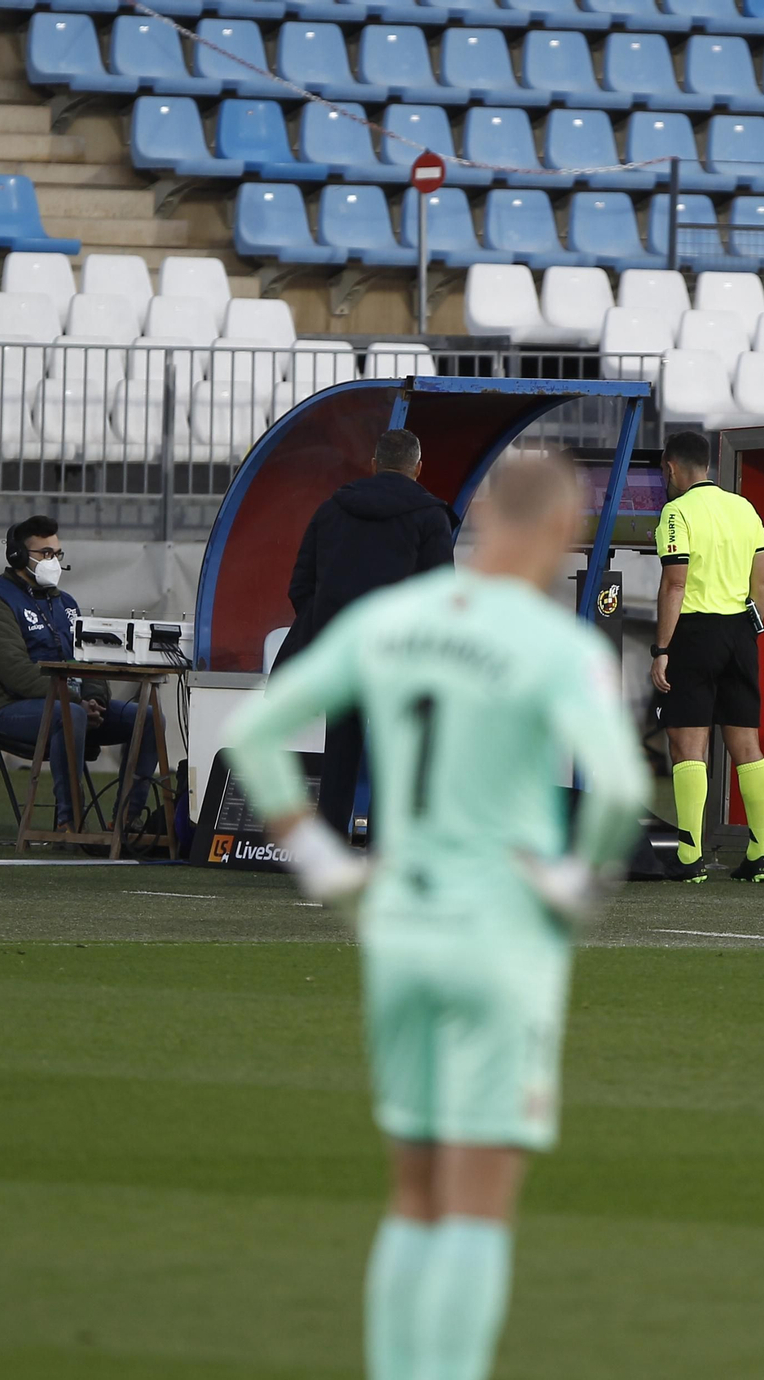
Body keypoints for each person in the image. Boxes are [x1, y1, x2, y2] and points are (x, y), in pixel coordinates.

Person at [225, 452, 646, 1380]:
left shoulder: (392, 622)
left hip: (400, 925)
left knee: (412, 1195)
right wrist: (574, 884)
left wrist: (326, 864)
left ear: (481, 517)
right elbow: (620, 788)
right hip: (500, 930)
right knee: (478, 1204)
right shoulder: (555, 646)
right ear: (563, 529)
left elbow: (253, 733)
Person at [278, 428, 457, 838]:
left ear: (374, 464)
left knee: (339, 758)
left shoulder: (332, 510)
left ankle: (329, 852)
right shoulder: (430, 517)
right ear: (418, 468)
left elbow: (301, 586)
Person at [0, 515, 160, 832]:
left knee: (149, 717)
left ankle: (127, 820)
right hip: (10, 709)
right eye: (45, 553)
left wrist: (94, 701)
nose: (53, 561)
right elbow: (17, 675)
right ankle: (70, 822)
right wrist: (76, 701)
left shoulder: (66, 603)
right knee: (70, 715)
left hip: (70, 706)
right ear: (18, 556)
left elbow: (89, 660)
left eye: (56, 553)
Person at [651, 430, 764, 883]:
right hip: (740, 633)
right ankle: (758, 854)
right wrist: (747, 631)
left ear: (671, 468)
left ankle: (690, 857)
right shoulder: (744, 508)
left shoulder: (676, 512)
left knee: (688, 745)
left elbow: (675, 584)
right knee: (747, 746)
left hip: (693, 633)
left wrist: (662, 649)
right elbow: (763, 585)